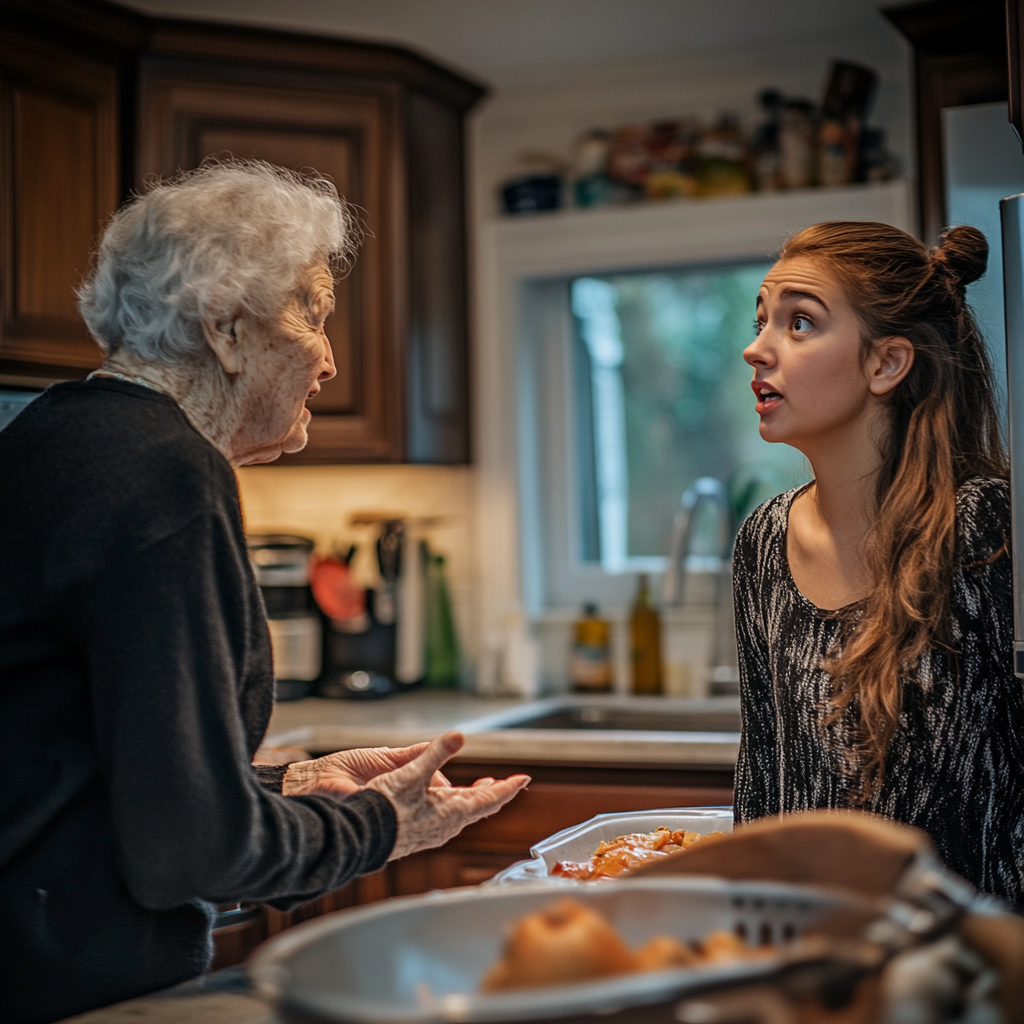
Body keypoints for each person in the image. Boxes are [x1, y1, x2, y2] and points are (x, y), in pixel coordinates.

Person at [0, 160, 529, 1024]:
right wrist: (385, 825)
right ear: (226, 330)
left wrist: (294, 785)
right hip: (72, 989)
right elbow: (186, 852)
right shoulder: (165, 475)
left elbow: (92, 770)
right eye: (312, 313)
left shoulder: (54, 441)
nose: (329, 358)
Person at [732, 220, 1023, 910]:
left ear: (886, 364)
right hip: (815, 974)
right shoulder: (763, 541)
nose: (755, 349)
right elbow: (760, 777)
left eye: (799, 323)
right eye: (762, 321)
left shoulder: (985, 526)